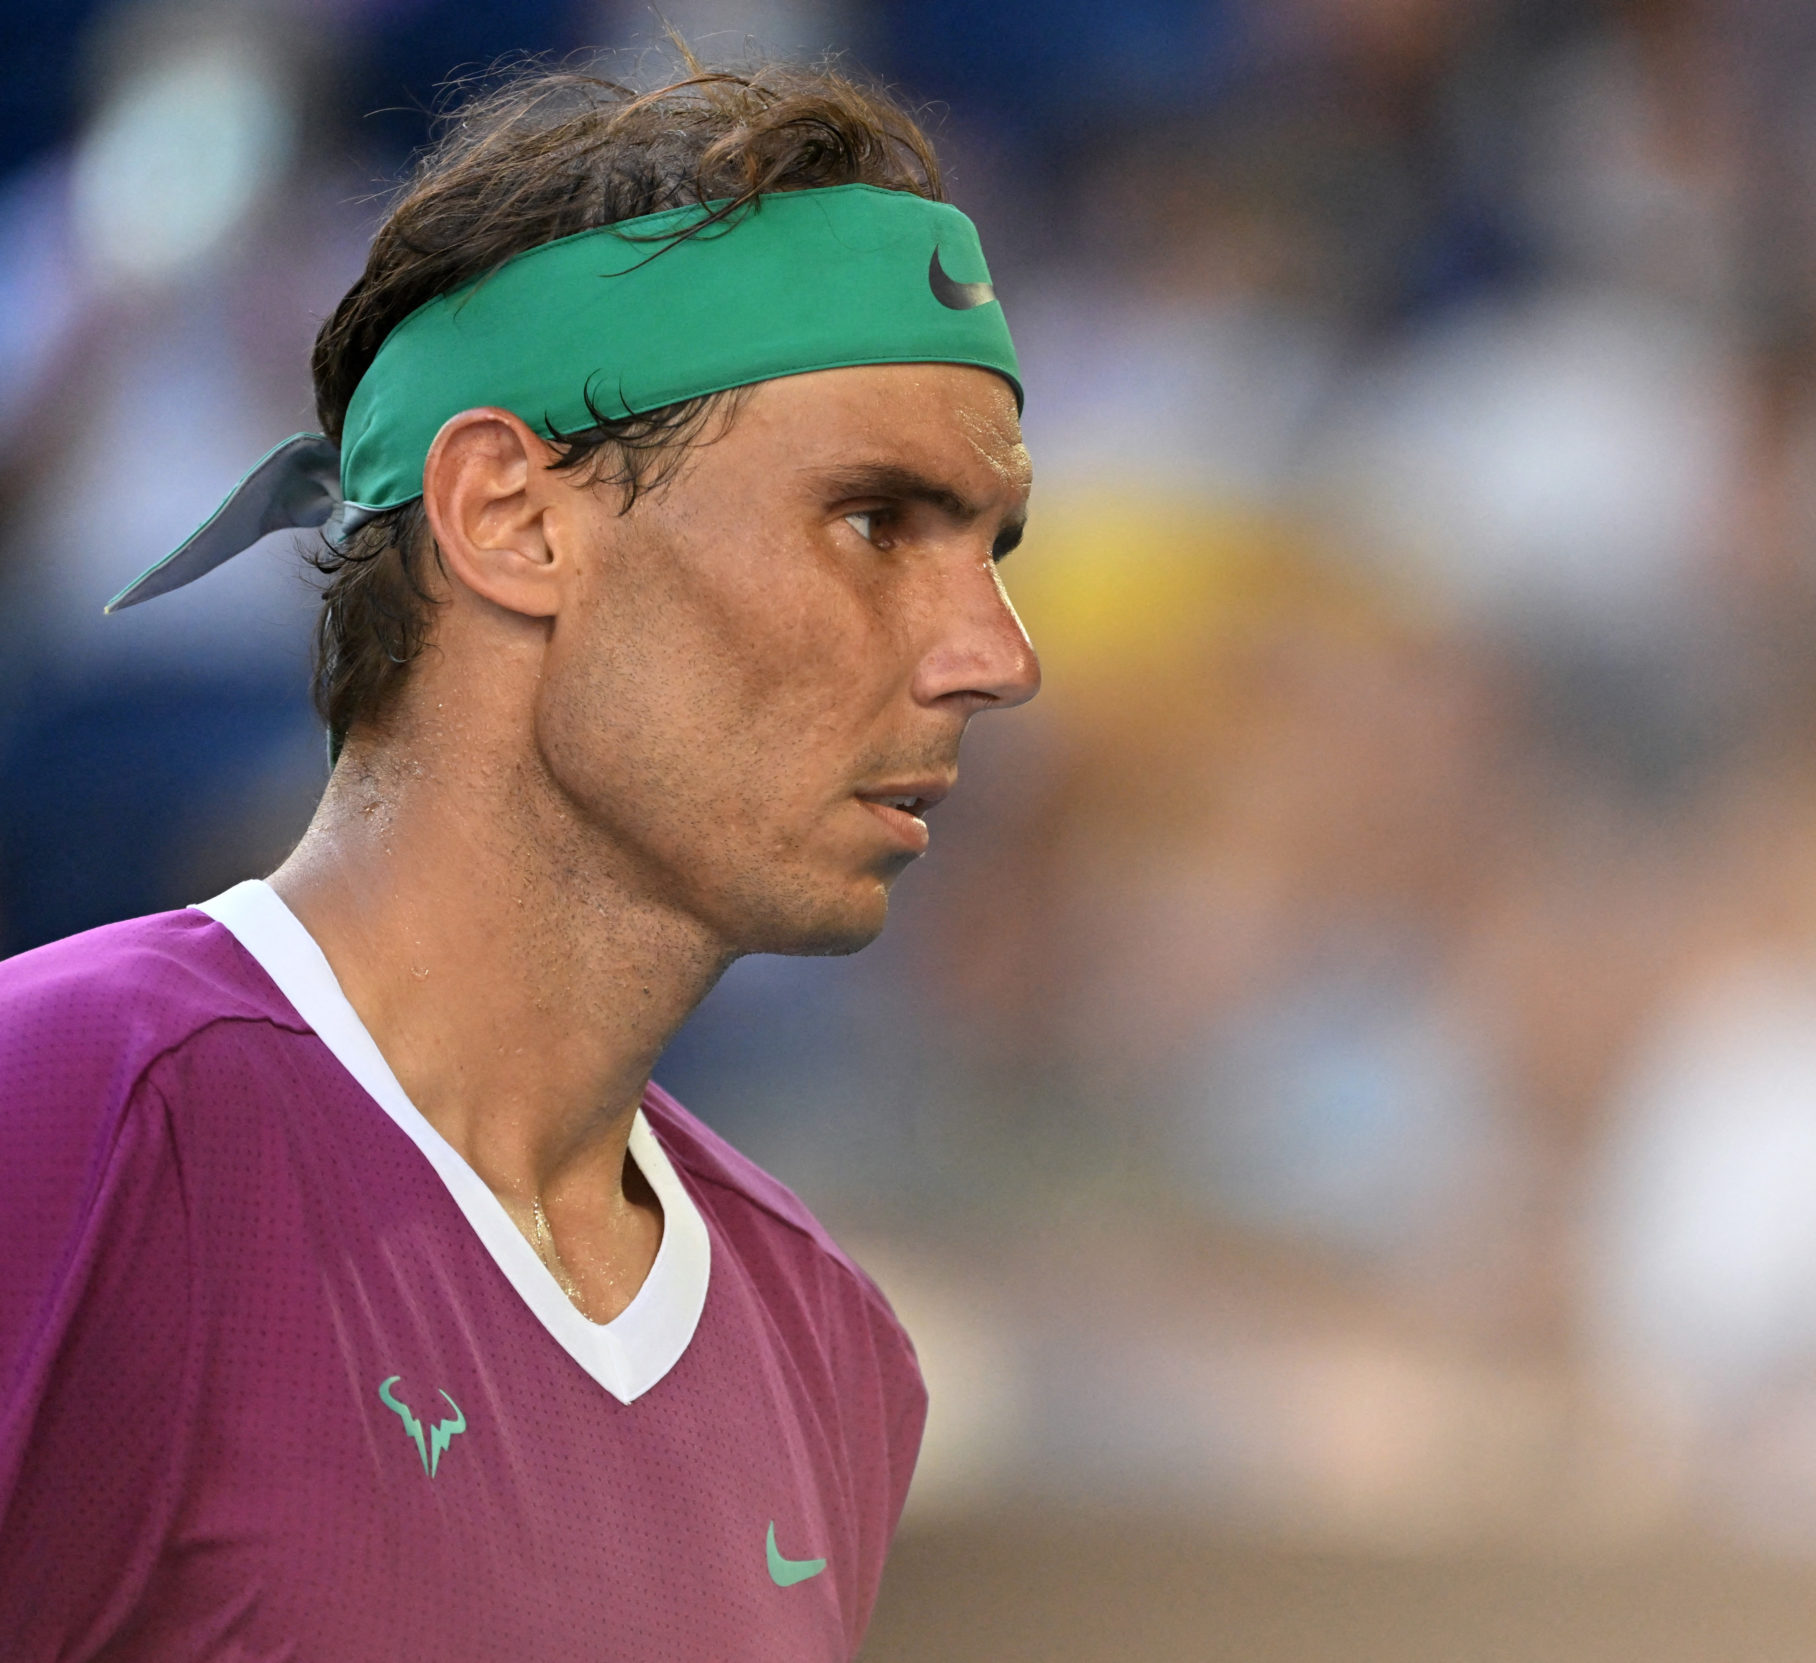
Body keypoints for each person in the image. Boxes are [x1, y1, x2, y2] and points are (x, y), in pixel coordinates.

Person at [0, 55, 1039, 1660]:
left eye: (995, 547)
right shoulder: (73, 1102)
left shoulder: (829, 1348)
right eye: (876, 520)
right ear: (511, 516)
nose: (995, 652)